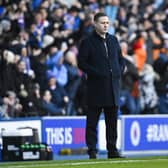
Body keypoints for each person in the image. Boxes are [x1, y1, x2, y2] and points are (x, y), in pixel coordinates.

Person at [78, 12, 125, 159]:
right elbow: (82, 63)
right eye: (102, 23)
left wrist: (119, 71)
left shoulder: (113, 40)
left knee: (112, 123)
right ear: (95, 24)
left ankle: (112, 150)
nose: (105, 25)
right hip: (95, 89)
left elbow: (120, 59)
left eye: (107, 23)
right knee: (92, 122)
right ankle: (92, 150)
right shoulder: (87, 41)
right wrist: (97, 73)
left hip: (113, 88)